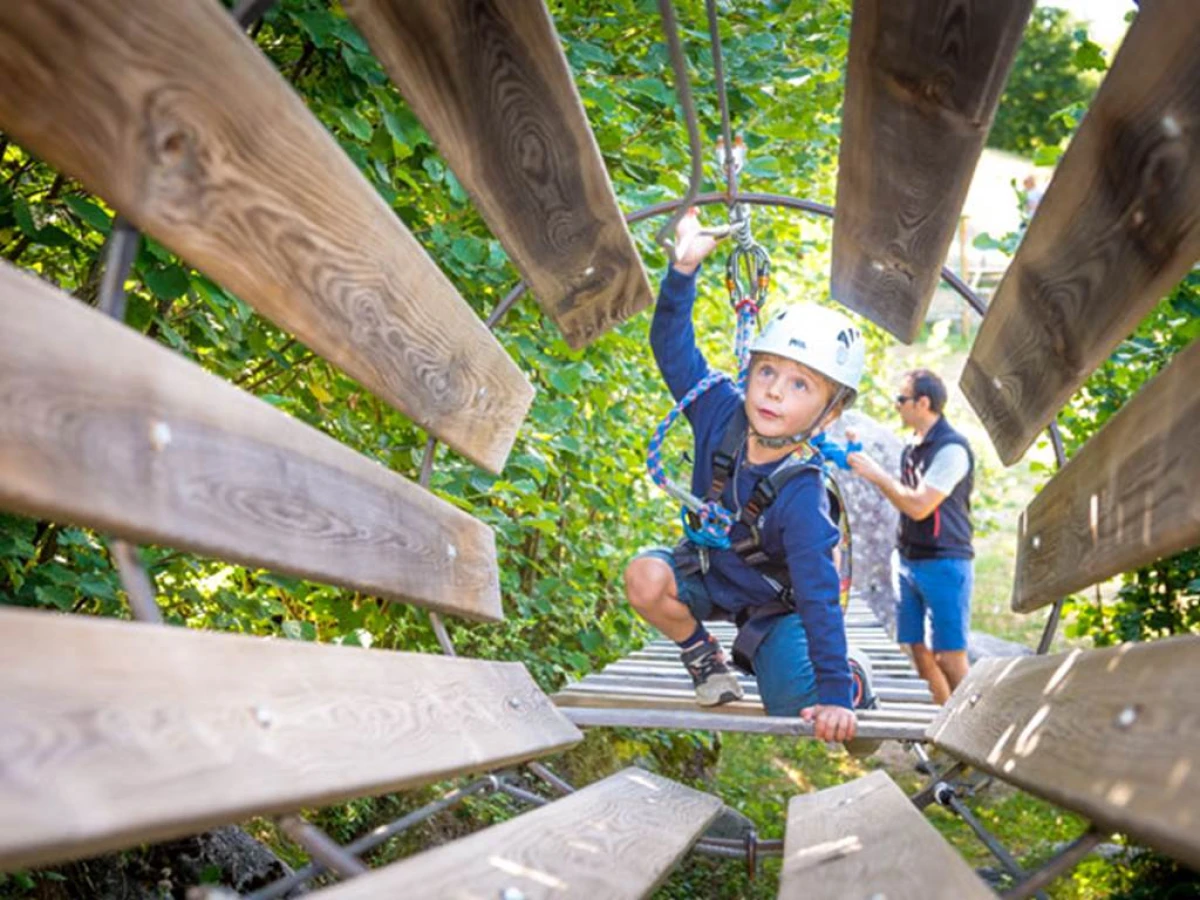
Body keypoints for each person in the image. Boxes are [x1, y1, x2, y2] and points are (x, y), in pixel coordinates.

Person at [623, 209, 864, 743]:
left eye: (801, 385)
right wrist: (682, 272)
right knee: (644, 578)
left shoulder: (802, 492)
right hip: (709, 573)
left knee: (793, 704)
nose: (775, 391)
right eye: (768, 371)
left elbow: (820, 592)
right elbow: (672, 350)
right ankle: (703, 656)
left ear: (830, 413)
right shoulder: (719, 411)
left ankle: (853, 674)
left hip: (775, 603)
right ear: (749, 372)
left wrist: (834, 695)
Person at [846, 369, 975, 705]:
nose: (896, 405)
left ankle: (977, 731)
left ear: (924, 402)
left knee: (949, 656)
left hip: (945, 562)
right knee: (919, 652)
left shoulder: (952, 450)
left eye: (901, 399)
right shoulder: (913, 446)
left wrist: (877, 476)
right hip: (907, 561)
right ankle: (945, 732)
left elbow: (919, 506)